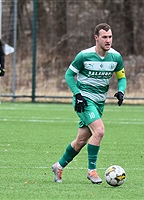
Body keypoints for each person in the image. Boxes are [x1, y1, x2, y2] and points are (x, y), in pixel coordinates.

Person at [52, 23, 127, 184]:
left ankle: (58, 166)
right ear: (96, 38)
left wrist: (121, 91)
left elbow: (121, 77)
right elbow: (68, 75)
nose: (108, 40)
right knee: (99, 131)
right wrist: (77, 95)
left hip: (99, 103)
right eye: (104, 37)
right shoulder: (84, 56)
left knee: (80, 141)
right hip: (84, 100)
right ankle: (91, 171)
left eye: (110, 37)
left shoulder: (116, 57)